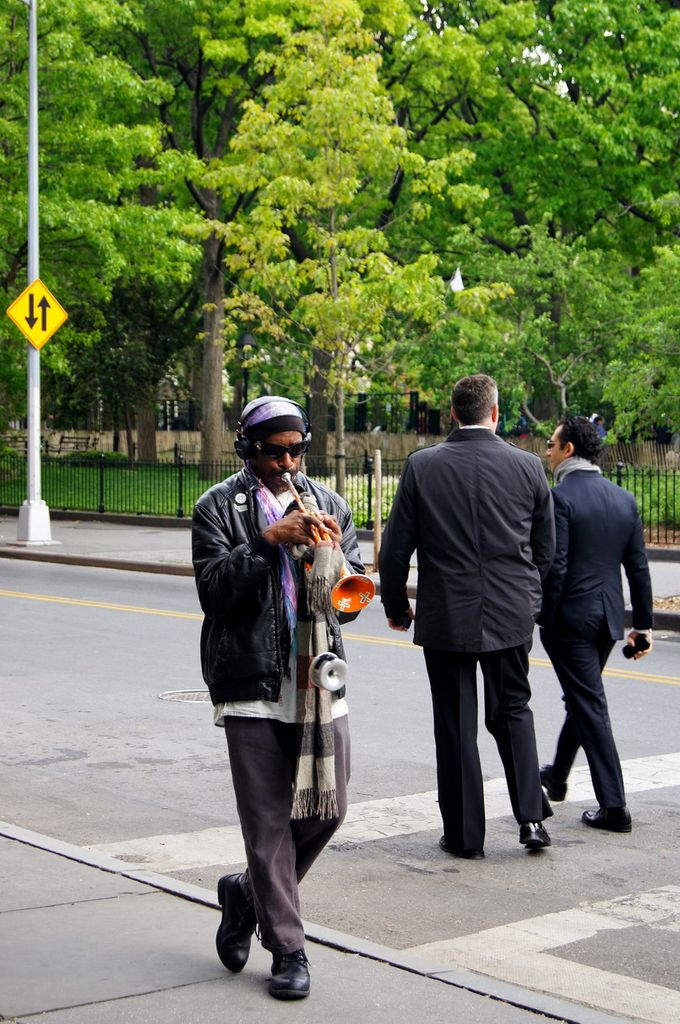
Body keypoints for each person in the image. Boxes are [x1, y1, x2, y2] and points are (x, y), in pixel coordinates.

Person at [192, 396, 366, 1000]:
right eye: (275, 452)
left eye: (297, 450)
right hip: (251, 681)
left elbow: (351, 595)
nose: (288, 462)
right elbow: (215, 593)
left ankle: (246, 892)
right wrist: (267, 541)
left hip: (320, 678)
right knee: (268, 821)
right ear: (248, 449)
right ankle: (289, 948)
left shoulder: (330, 501)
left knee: (328, 808)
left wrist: (341, 558)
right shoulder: (217, 507)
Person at [379, 374, 555, 859]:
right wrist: (526, 597)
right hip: (511, 613)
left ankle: (464, 836)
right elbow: (545, 551)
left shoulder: (423, 466)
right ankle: (532, 820)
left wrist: (396, 606)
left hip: (446, 617)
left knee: (456, 724)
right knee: (514, 710)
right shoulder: (529, 466)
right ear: (494, 413)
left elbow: (394, 552)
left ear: (452, 413)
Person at [538, 416, 653, 833]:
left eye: (551, 444)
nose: (547, 451)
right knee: (583, 697)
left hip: (569, 621)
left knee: (589, 704)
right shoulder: (624, 499)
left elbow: (557, 565)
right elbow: (638, 568)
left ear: (568, 449)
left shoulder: (561, 497)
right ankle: (557, 775)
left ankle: (615, 806)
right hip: (608, 619)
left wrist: (542, 616)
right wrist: (643, 625)